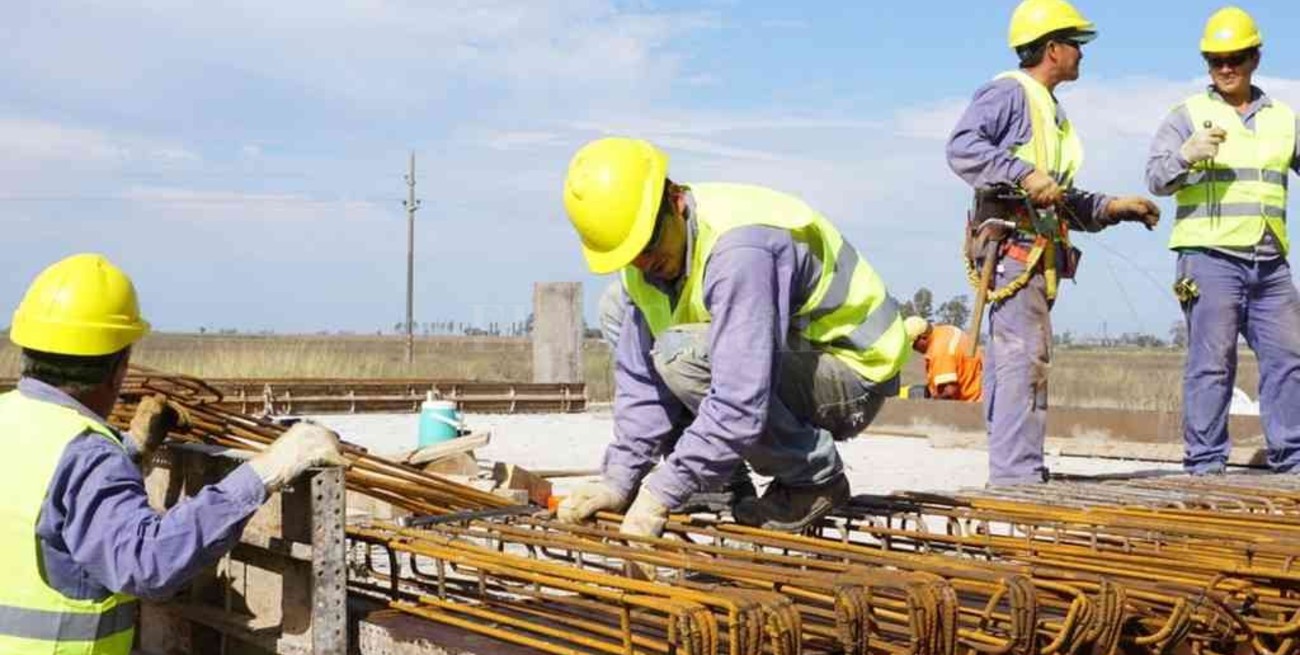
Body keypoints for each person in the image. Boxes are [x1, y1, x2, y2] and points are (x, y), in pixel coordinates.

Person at [556, 137, 909, 534]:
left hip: (851, 376)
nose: (644, 263)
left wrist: (661, 491)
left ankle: (812, 479)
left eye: (649, 245)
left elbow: (740, 400)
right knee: (618, 310)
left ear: (675, 201)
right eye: (630, 255)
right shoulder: (643, 266)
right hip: (783, 366)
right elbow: (643, 386)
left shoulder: (742, 248)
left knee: (680, 355)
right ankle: (717, 482)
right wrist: (617, 479)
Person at [0, 253, 349, 654]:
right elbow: (149, 561)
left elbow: (46, 511)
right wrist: (264, 473)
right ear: (119, 367)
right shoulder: (86, 455)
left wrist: (132, 450)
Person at [945, 0, 1160, 485]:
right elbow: (963, 147)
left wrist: (1110, 208)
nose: (1082, 54)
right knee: (1023, 360)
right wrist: (1023, 174)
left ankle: (1014, 469)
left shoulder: (1048, 109)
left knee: (1018, 362)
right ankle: (1017, 475)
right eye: (1076, 45)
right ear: (1052, 48)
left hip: (1034, 250)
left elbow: (1053, 196)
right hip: (1015, 251)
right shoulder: (1009, 93)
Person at [1145, 7, 1300, 475]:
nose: (1225, 68)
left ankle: (1292, 461)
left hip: (1270, 262)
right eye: (1215, 60)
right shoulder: (1188, 115)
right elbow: (1155, 178)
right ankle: (1206, 465)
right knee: (1212, 364)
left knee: (1289, 360)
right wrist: (1185, 157)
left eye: (1234, 58)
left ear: (1254, 57)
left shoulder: (1283, 119)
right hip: (1209, 260)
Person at [902, 317, 983, 402]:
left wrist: (929, 405)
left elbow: (950, 392)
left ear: (923, 337)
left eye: (914, 345)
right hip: (978, 392)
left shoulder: (940, 351)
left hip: (969, 404)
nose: (914, 349)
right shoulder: (946, 330)